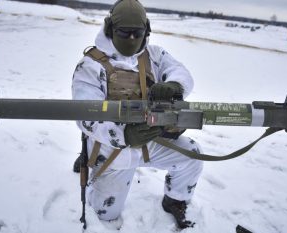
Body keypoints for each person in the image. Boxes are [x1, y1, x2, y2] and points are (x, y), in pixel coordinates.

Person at [72, 0, 203, 229]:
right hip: (111, 150)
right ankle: (89, 161)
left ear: (147, 31)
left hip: (150, 140)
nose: (132, 39)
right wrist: (124, 136)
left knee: (191, 156)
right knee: (105, 215)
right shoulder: (90, 66)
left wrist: (175, 85)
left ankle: (175, 200)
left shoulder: (153, 55)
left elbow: (181, 72)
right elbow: (86, 117)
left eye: (138, 33)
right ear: (110, 29)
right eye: (124, 32)